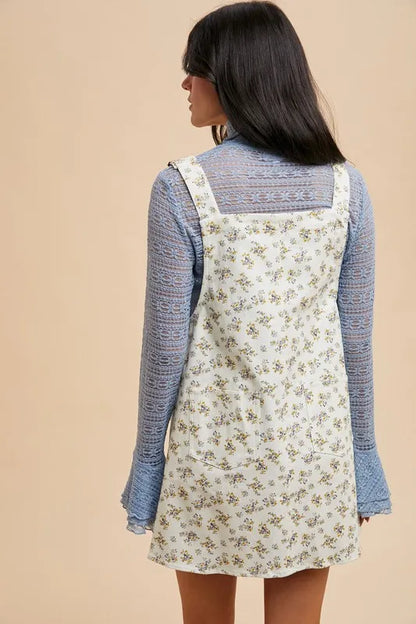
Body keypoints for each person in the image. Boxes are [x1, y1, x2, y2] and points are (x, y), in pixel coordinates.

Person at [120, 2, 392, 622]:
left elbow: (165, 346)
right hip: (312, 456)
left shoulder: (181, 188)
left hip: (213, 453)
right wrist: (363, 456)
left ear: (231, 77)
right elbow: (355, 340)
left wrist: (148, 464)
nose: (185, 84)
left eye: (194, 69)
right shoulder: (347, 187)